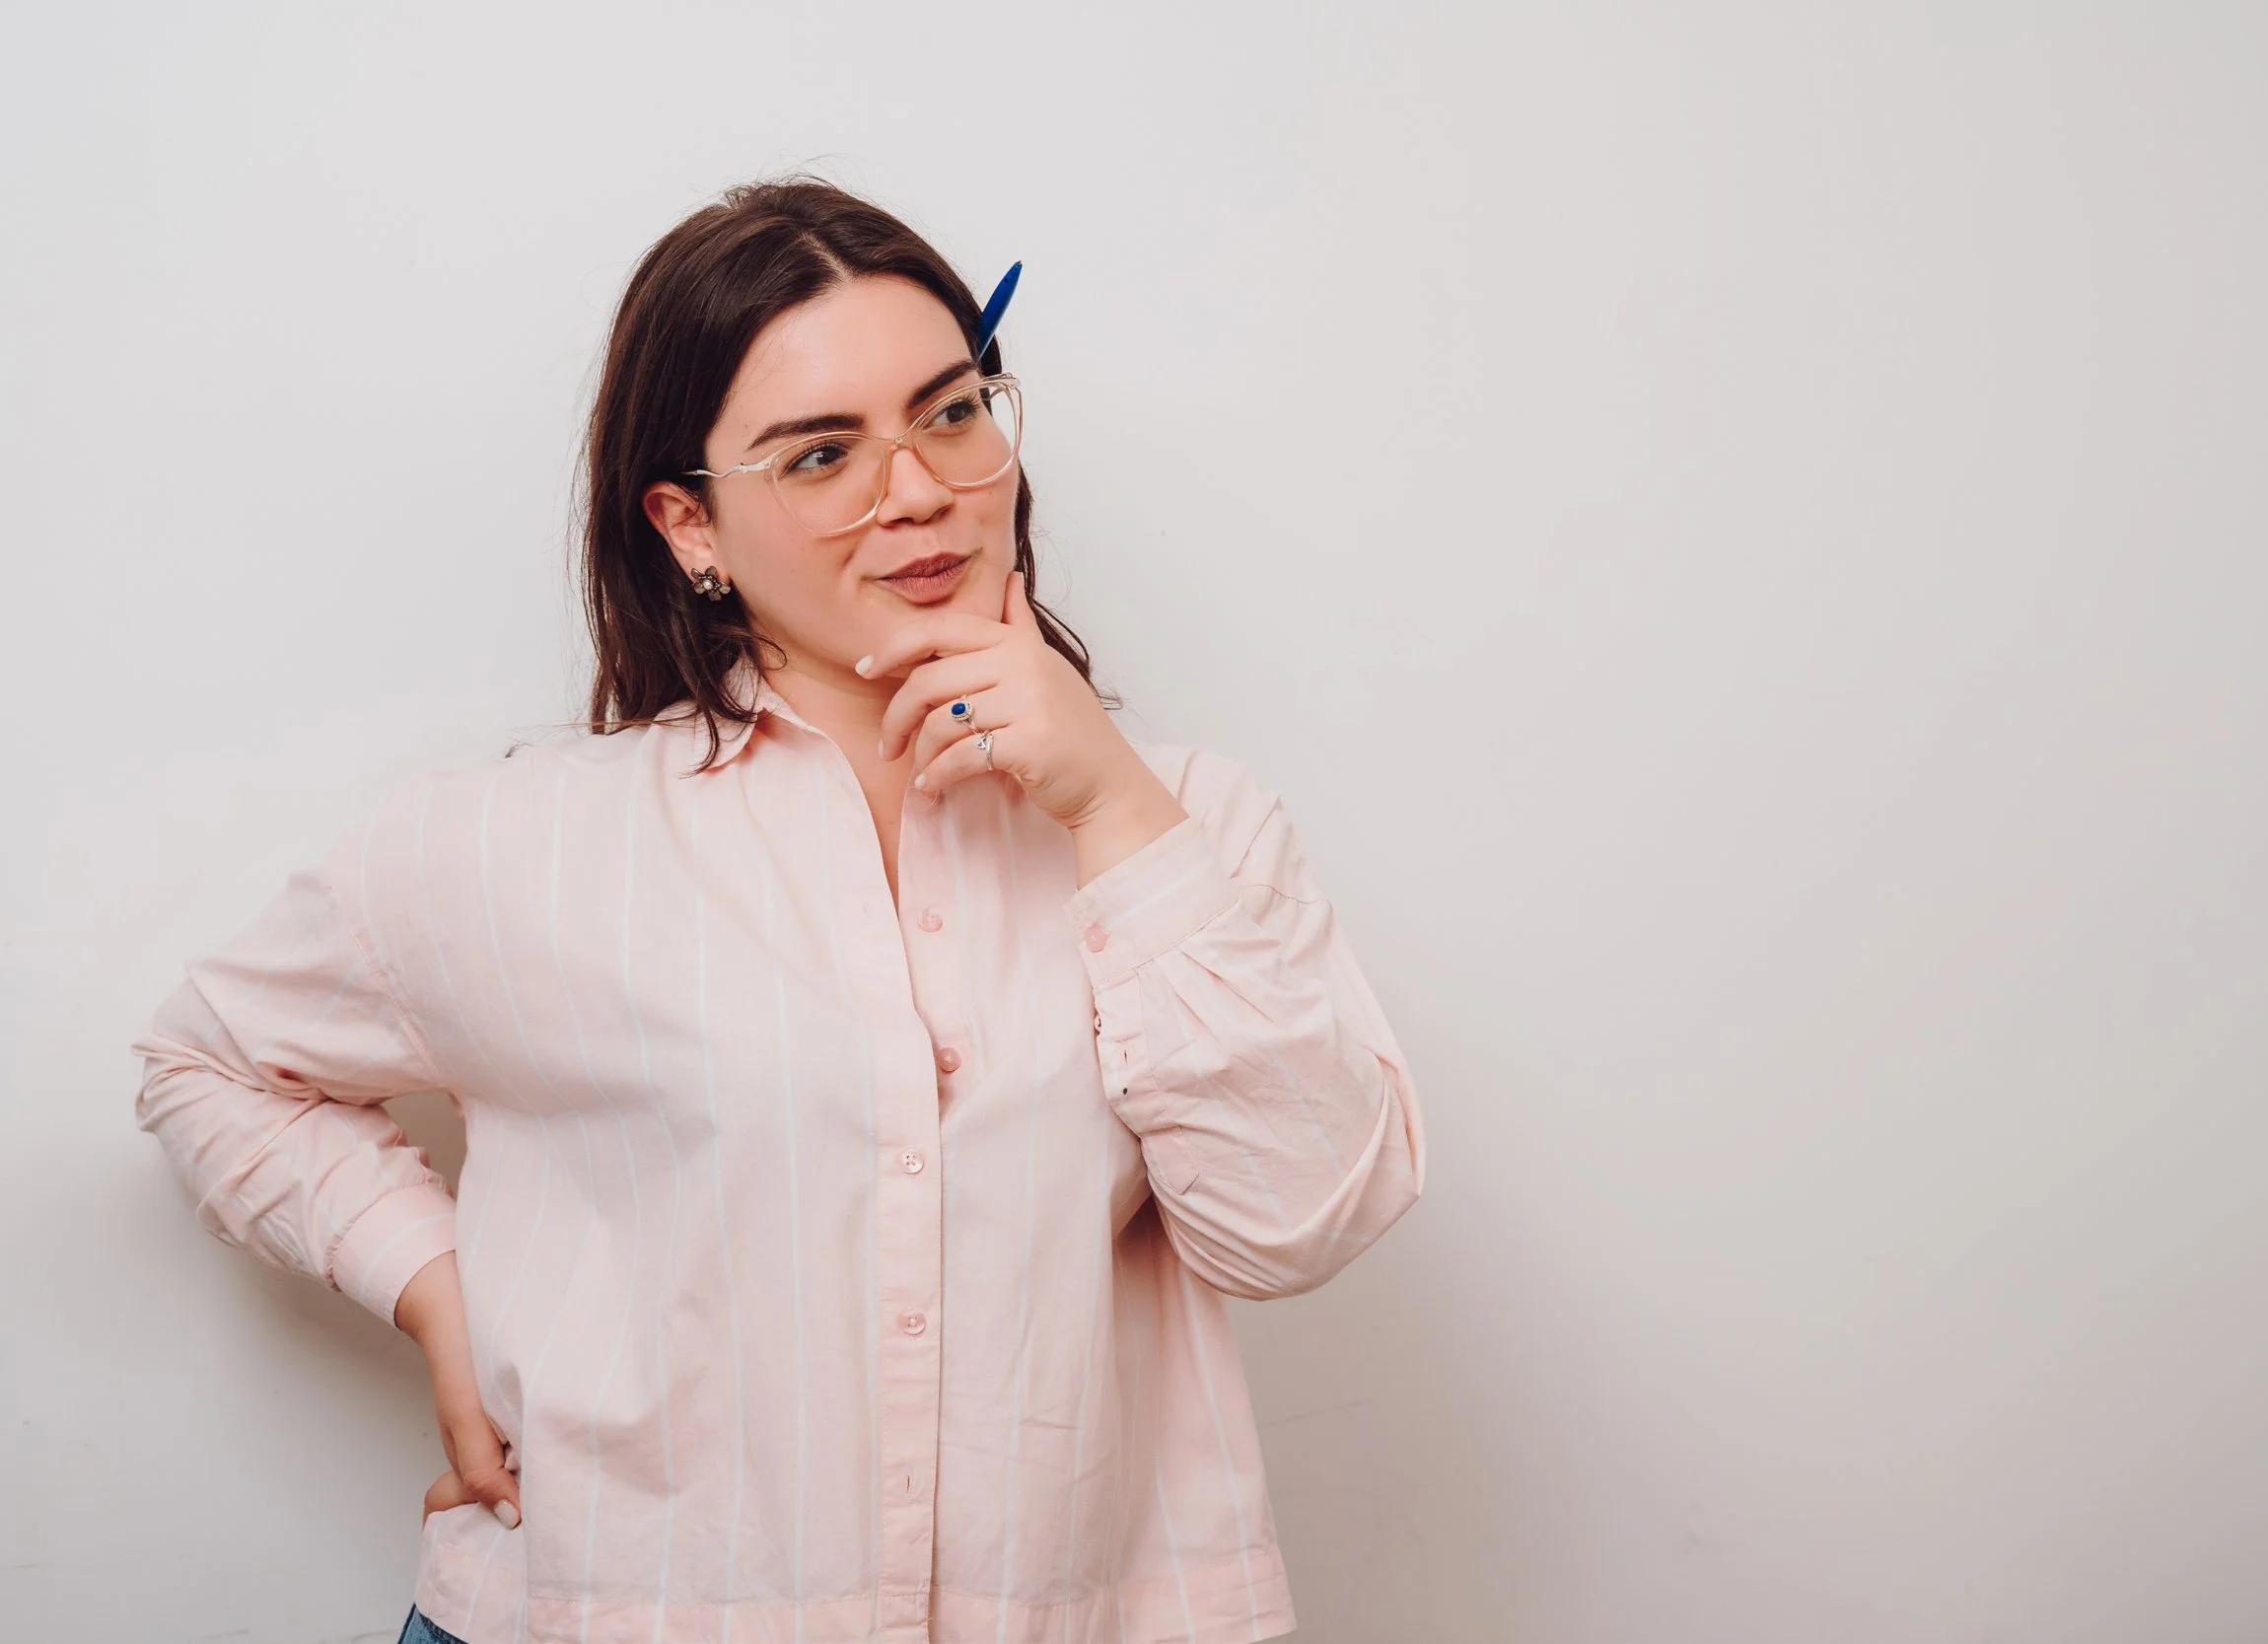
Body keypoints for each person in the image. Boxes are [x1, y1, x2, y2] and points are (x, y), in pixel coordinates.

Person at [126, 175, 1428, 1644]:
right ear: (690, 526)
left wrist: (1112, 808)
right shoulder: (523, 845)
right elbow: (207, 1060)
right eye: (820, 454)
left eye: (951, 410)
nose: (920, 489)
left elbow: (1297, 1225)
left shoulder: (1189, 824)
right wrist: (437, 1289)